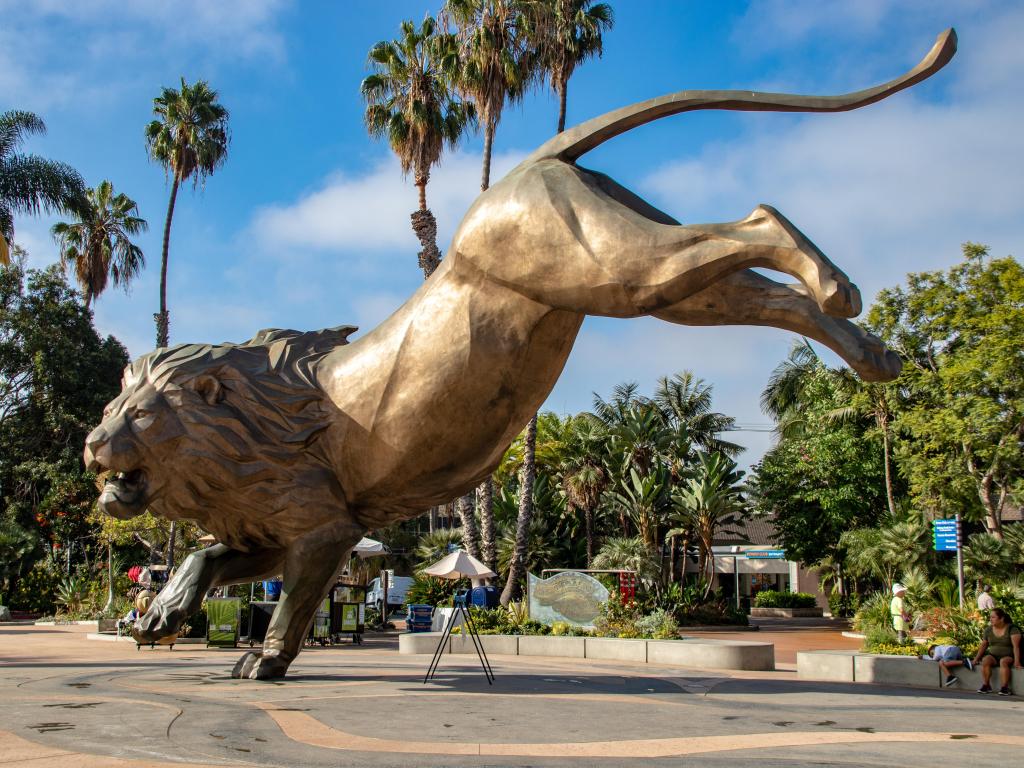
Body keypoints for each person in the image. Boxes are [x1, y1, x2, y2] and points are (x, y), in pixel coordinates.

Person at [972, 607, 1022, 695]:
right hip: (993, 656)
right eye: (990, 617)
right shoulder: (988, 630)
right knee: (985, 660)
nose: (990, 619)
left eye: (993, 617)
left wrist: (1017, 662)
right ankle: (986, 686)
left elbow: (1016, 647)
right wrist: (976, 659)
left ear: (1001, 618)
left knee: (1003, 661)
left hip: (1009, 656)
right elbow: (983, 645)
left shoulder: (1012, 629)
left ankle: (1004, 688)